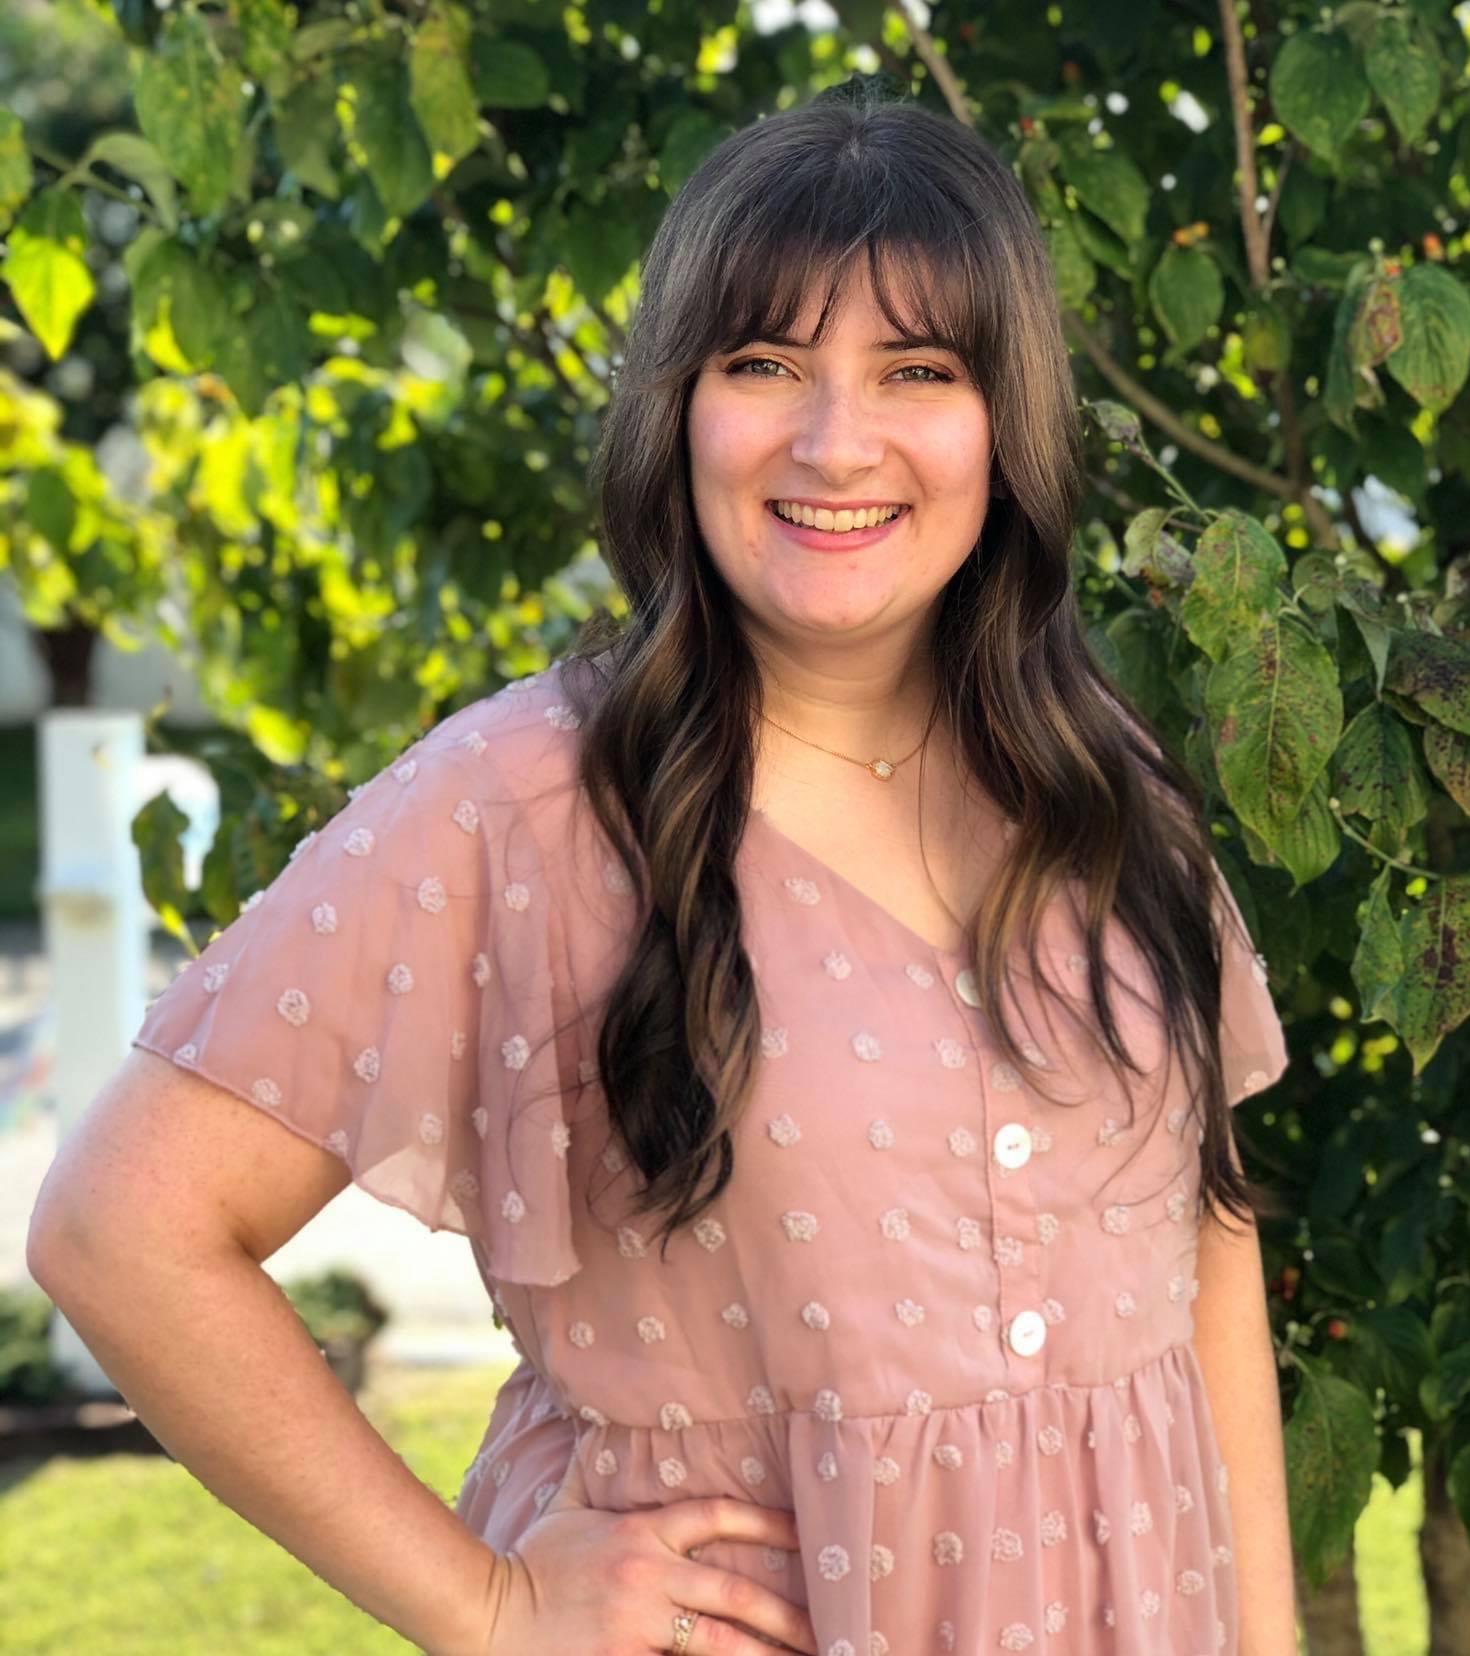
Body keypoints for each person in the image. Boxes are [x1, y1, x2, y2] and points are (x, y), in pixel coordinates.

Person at [27, 75, 1296, 1656]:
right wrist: (491, 1606)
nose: (837, 441)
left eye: (917, 370)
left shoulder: (1104, 782)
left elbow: (1205, 1255)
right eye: (764, 364)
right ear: (677, 409)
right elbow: (120, 1233)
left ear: (1005, 422)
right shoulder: (527, 802)